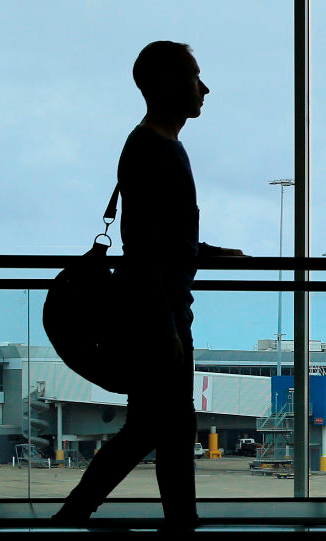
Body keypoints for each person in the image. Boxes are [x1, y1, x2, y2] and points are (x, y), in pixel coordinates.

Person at [52, 41, 243, 530]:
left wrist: (206, 252)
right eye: (195, 77)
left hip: (159, 311)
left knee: (155, 428)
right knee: (167, 429)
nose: (205, 88)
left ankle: (87, 514)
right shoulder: (151, 149)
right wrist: (167, 329)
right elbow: (144, 247)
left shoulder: (159, 146)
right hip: (159, 314)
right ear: (167, 84)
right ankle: (171, 521)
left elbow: (161, 239)